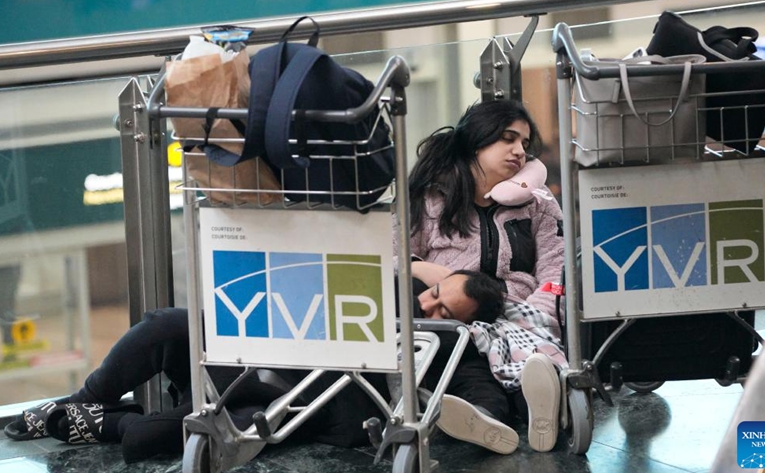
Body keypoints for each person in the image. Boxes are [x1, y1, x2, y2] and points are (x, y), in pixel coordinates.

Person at [5, 269, 509, 462]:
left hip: (288, 407)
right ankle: (81, 403)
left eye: (446, 313)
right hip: (250, 356)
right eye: (436, 294)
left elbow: (485, 409)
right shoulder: (383, 283)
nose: (430, 308)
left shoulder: (453, 352)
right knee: (166, 325)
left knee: (162, 438)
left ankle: (99, 421)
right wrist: (420, 269)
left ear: (468, 327)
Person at [401, 99, 567, 453]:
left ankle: (542, 413)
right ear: (477, 140)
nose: (519, 151)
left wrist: (538, 314)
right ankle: (484, 418)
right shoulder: (430, 199)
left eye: (524, 143)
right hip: (450, 320)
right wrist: (420, 267)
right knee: (471, 366)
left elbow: (555, 271)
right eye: (508, 138)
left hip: (515, 316)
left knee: (530, 363)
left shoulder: (539, 205)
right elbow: (390, 256)